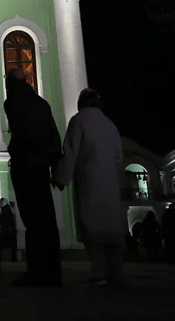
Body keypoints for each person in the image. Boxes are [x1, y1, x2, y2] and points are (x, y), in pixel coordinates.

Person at [53, 88, 127, 286]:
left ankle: (99, 273)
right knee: (112, 231)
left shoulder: (79, 121)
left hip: (89, 181)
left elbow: (70, 152)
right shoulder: (109, 125)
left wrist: (61, 178)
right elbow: (119, 157)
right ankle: (117, 273)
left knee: (93, 230)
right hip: (110, 184)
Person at [3, 68, 64, 287]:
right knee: (47, 219)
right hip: (41, 166)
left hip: (25, 165)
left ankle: (37, 272)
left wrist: (25, 151)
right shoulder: (42, 104)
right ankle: (54, 271)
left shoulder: (12, 102)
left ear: (10, 82)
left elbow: (22, 133)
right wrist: (54, 161)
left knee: (32, 220)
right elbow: (54, 135)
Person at [0, 199, 19, 263]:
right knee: (12, 246)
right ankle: (13, 258)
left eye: (1, 202)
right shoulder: (7, 209)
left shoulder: (4, 210)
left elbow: (4, 220)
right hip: (10, 232)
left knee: (1, 246)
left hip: (6, 232)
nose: (0, 203)